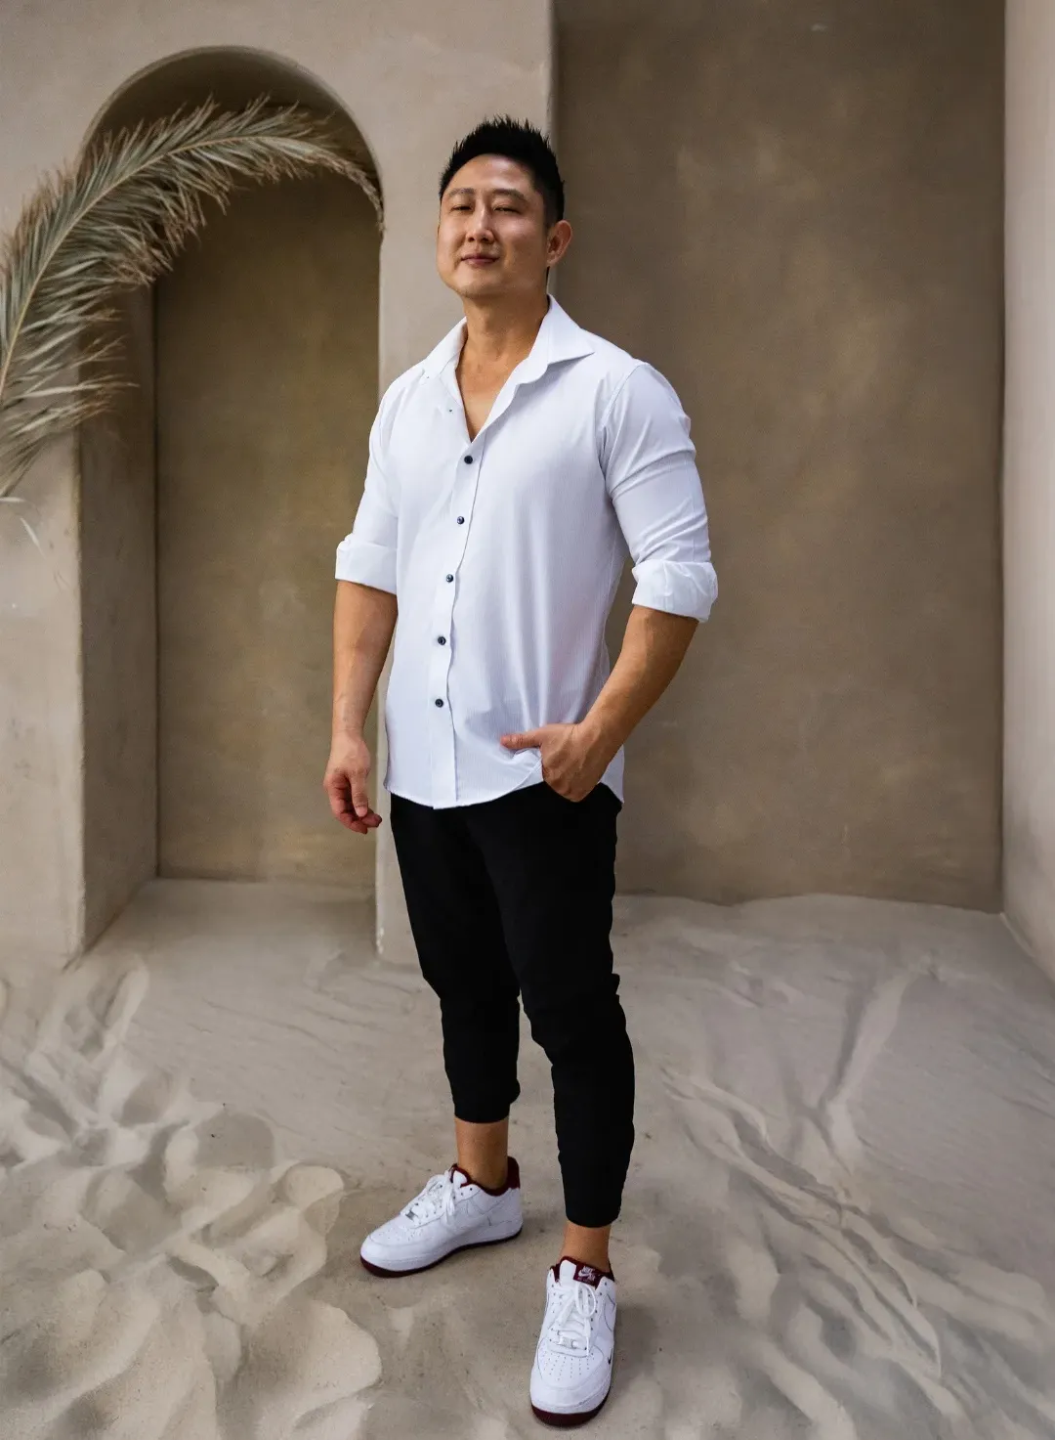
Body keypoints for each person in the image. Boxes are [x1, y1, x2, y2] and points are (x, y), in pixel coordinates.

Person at [324, 116, 716, 1428]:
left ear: (553, 240)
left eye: (505, 206)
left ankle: (585, 1265)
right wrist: (348, 728)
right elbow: (368, 570)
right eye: (460, 205)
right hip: (421, 763)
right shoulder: (407, 401)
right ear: (440, 234)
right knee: (463, 985)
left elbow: (679, 577)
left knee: (572, 1012)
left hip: (544, 775)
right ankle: (484, 1183)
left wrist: (599, 732)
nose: (478, 225)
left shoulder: (616, 390)